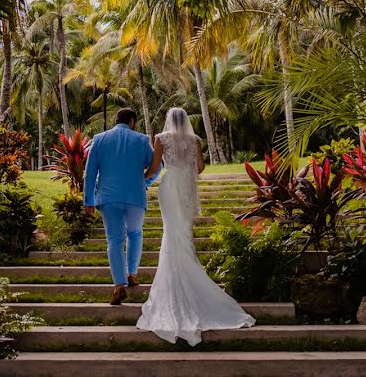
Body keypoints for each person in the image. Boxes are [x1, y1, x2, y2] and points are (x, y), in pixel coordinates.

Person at [136, 107, 255, 345]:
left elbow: (155, 166)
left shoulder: (161, 139)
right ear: (186, 122)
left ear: (169, 121)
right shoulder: (194, 140)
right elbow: (200, 167)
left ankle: (176, 278)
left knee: (171, 232)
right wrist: (186, 169)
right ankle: (188, 271)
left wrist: (140, 177)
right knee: (183, 233)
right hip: (186, 188)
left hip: (169, 186)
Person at [83, 108, 158, 305]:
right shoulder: (142, 140)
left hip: (108, 197)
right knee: (135, 234)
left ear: (116, 121)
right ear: (132, 121)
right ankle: (132, 274)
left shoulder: (99, 139)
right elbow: (157, 165)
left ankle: (118, 286)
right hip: (135, 196)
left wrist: (88, 199)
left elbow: (90, 172)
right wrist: (146, 181)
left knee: (114, 241)